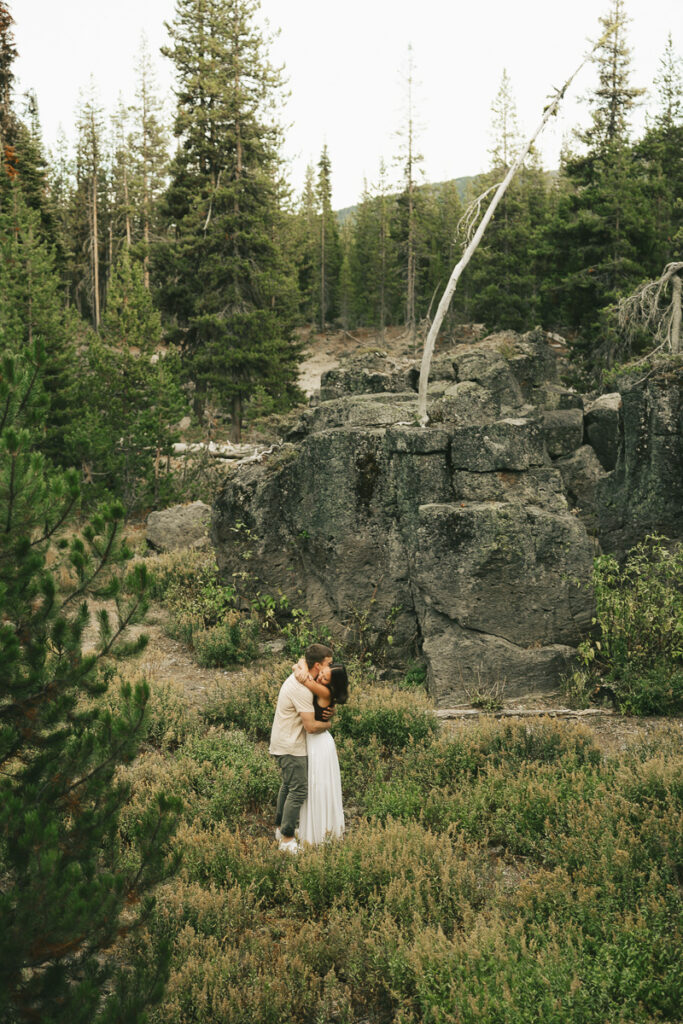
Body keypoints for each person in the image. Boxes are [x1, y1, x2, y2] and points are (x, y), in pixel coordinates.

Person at [269, 643, 333, 854]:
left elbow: (302, 662)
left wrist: (301, 667)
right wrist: (328, 725)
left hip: (284, 741)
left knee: (288, 786)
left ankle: (279, 829)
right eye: (328, 664)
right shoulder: (301, 689)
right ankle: (287, 839)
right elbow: (311, 726)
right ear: (317, 665)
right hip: (291, 745)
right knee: (298, 790)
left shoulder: (306, 677)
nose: (330, 668)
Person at [293, 659, 348, 847]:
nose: (322, 677)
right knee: (315, 786)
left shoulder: (323, 691)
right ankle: (318, 830)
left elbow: (301, 677)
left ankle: (319, 834)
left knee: (318, 787)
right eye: (323, 672)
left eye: (326, 678)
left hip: (319, 743)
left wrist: (300, 668)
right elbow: (302, 661)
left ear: (332, 684)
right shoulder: (322, 686)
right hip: (318, 740)